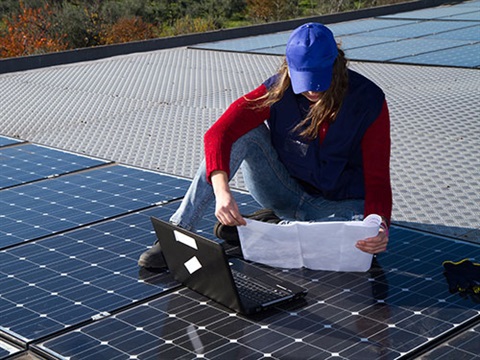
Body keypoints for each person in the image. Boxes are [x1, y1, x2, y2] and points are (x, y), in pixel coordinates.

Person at [139, 22, 391, 269]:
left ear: (336, 65)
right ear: (289, 69)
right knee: (245, 133)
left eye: (320, 78)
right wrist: (222, 192)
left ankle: (267, 228)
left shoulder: (369, 101)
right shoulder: (276, 89)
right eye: (305, 79)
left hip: (337, 208)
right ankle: (178, 231)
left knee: (361, 245)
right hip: (284, 191)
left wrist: (379, 227)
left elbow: (378, 179)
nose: (313, 91)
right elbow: (218, 133)